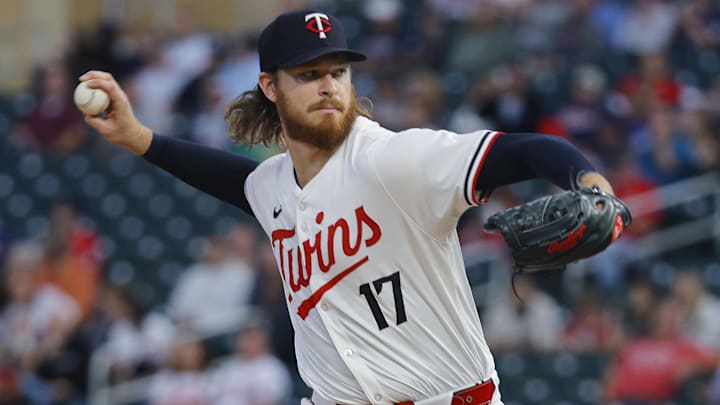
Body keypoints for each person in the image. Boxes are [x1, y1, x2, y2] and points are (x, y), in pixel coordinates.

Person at [78, 9, 623, 405]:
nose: (328, 87)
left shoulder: (395, 160)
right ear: (270, 86)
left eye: (337, 72)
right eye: (309, 75)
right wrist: (139, 137)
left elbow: (525, 149)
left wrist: (594, 186)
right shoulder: (271, 187)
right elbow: (228, 177)